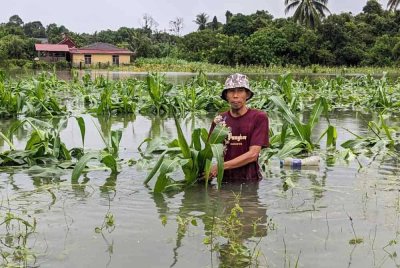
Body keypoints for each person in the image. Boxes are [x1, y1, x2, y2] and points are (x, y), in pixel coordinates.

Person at [208, 73, 269, 181]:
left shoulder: (258, 118)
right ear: (226, 95)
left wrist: (219, 167)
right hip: (224, 181)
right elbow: (209, 152)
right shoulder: (219, 120)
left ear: (247, 94)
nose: (235, 96)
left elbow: (253, 154)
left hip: (250, 181)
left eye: (240, 91)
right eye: (231, 91)